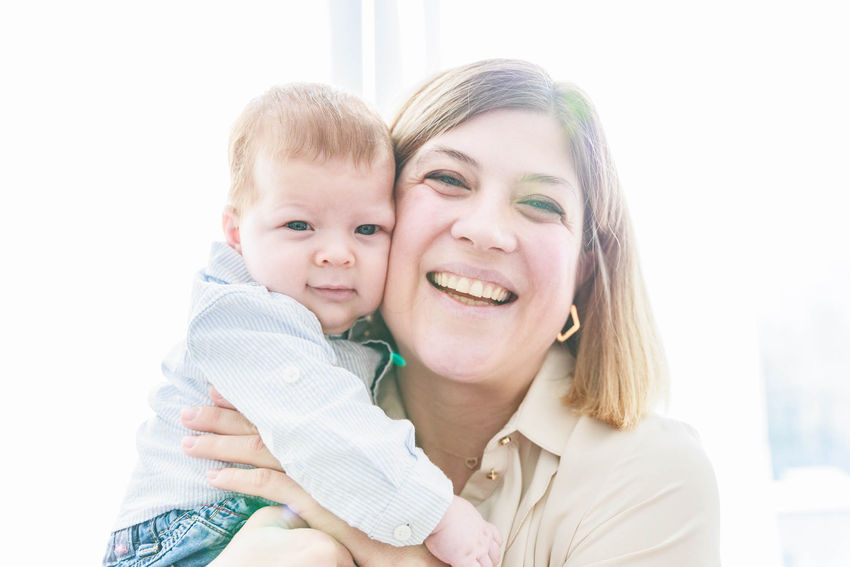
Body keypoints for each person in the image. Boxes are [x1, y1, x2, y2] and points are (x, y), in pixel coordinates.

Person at [179, 58, 722, 566]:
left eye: (541, 204)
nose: (485, 231)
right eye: (448, 179)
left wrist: (386, 549)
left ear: (584, 267)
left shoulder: (651, 476)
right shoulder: (273, 385)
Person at [104, 83, 501, 567]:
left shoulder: (353, 326)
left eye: (367, 229)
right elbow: (329, 428)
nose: (337, 253)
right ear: (236, 233)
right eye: (298, 226)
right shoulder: (246, 318)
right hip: (185, 539)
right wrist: (438, 512)